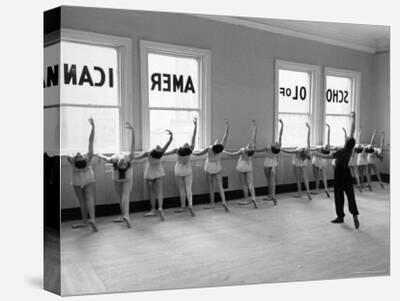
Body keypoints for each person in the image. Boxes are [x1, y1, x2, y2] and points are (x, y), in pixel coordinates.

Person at [314, 112, 360, 229]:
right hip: (347, 173)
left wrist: (317, 154)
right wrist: (354, 119)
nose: (348, 137)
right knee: (350, 194)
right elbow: (352, 131)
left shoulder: (342, 151)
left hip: (339, 173)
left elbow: (328, 157)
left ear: (346, 142)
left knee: (339, 195)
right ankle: (354, 214)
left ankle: (340, 217)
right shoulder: (350, 150)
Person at [98, 122, 136, 228]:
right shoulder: (128, 158)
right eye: (123, 163)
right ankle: (124, 215)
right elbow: (133, 145)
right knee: (123, 197)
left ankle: (126, 216)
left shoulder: (114, 159)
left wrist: (99, 154)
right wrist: (133, 131)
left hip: (126, 178)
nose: (123, 161)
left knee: (124, 197)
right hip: (118, 178)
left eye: (122, 163)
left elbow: (103, 157)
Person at [66, 117, 98, 232]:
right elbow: (90, 141)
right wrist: (93, 127)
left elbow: (68, 156)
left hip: (77, 179)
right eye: (79, 155)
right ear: (83, 159)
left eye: (78, 155)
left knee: (82, 200)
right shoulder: (88, 159)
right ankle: (92, 219)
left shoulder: (72, 161)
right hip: (88, 177)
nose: (79, 154)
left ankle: (85, 221)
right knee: (89, 199)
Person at [136, 130, 173, 221]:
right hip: (159, 172)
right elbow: (167, 144)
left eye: (158, 147)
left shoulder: (148, 153)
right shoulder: (161, 153)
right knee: (159, 191)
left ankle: (153, 210)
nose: (158, 146)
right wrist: (171, 137)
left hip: (149, 173)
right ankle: (160, 208)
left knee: (151, 192)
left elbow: (136, 157)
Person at [193, 119, 230, 212]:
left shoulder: (209, 148)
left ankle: (212, 203)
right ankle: (224, 201)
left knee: (210, 186)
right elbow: (225, 137)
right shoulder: (221, 149)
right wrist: (227, 127)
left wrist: (190, 152)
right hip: (217, 166)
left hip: (209, 166)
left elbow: (198, 154)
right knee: (220, 185)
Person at [164, 118, 198, 216]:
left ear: (184, 147)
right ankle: (190, 205)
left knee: (181, 189)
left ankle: (183, 207)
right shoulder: (190, 150)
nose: (187, 143)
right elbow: (193, 138)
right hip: (187, 171)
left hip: (178, 171)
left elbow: (165, 153)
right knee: (188, 188)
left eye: (187, 144)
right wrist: (196, 126)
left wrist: (157, 154)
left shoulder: (177, 150)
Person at [224, 120, 258, 209]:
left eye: (249, 145)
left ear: (248, 147)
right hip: (249, 166)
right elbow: (254, 137)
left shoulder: (242, 150)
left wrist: (224, 151)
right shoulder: (252, 151)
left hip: (241, 166)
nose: (249, 144)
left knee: (244, 184)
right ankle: (253, 198)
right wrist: (255, 127)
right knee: (250, 183)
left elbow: (232, 155)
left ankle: (246, 199)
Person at [255, 119, 284, 205]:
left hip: (268, 163)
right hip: (272, 163)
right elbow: (280, 135)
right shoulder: (277, 148)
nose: (276, 142)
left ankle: (272, 195)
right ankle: (271, 195)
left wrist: (282, 125)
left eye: (276, 143)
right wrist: (282, 125)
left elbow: (280, 135)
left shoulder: (270, 147)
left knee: (270, 180)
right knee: (270, 180)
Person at [282, 122, 312, 201]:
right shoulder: (308, 150)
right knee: (305, 177)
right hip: (303, 163)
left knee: (298, 178)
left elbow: (289, 152)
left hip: (296, 163)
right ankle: (308, 191)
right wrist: (309, 129)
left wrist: (282, 150)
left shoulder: (298, 151)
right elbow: (308, 139)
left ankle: (299, 193)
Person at [310, 123, 331, 198]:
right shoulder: (326, 149)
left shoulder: (319, 148)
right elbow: (328, 138)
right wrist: (329, 128)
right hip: (323, 161)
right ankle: (325, 188)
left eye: (327, 147)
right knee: (324, 175)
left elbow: (312, 150)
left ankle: (317, 189)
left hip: (316, 161)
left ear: (325, 149)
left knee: (317, 176)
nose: (327, 146)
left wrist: (329, 128)